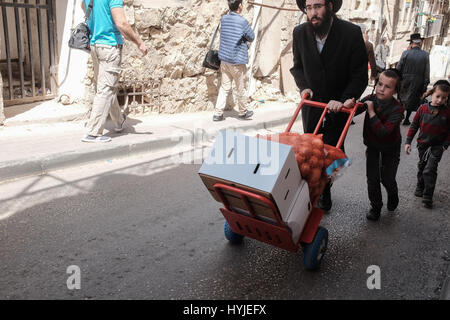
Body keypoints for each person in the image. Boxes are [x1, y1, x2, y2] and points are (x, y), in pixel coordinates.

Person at [290, 0, 368, 211]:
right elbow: (297, 68)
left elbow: (360, 74)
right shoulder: (299, 33)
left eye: (318, 6)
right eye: (309, 8)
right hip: (312, 105)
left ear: (331, 6)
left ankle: (327, 184)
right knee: (312, 151)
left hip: (339, 106)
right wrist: (304, 87)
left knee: (334, 151)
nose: (313, 13)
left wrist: (346, 98)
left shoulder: (351, 33)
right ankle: (320, 190)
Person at [339, 69, 404, 221]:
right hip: (373, 147)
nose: (381, 88)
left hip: (390, 148)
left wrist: (371, 110)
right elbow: (353, 111)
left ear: (395, 90)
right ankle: (376, 207)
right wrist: (349, 104)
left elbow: (383, 132)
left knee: (387, 178)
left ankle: (392, 193)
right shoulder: (371, 98)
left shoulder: (398, 108)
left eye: (387, 86)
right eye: (380, 84)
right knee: (372, 178)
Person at [81, 0, 148, 143]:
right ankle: (93, 133)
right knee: (106, 89)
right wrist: (139, 42)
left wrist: (97, 24)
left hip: (95, 45)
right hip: (109, 47)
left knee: (108, 86)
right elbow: (121, 23)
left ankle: (118, 121)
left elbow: (83, 7)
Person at [404, 80, 450, 209]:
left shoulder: (447, 112)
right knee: (422, 166)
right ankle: (420, 185)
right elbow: (414, 126)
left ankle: (428, 196)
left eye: (444, 98)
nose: (440, 100)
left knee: (430, 169)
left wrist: (445, 145)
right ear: (431, 94)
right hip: (423, 145)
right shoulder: (422, 109)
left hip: (437, 147)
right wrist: (408, 142)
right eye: (438, 96)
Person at [213, 0, 255, 122]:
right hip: (237, 60)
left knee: (224, 87)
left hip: (224, 60)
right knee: (240, 87)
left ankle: (218, 113)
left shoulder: (224, 19)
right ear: (240, 6)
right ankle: (243, 112)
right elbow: (251, 37)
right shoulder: (242, 21)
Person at [397, 33, 430, 126]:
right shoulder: (425, 55)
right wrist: (425, 83)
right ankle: (407, 119)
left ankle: (399, 116)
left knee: (402, 99)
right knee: (412, 100)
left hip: (404, 80)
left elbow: (399, 68)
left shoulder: (405, 53)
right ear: (420, 43)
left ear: (411, 43)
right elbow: (427, 72)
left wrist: (397, 79)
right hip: (418, 82)